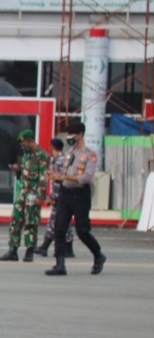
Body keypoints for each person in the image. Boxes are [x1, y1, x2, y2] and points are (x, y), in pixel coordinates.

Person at [45, 118, 105, 276]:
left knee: (82, 231)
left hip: (80, 195)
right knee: (60, 228)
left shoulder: (90, 154)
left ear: (80, 134)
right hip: (65, 194)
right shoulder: (68, 154)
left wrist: (63, 177)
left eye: (72, 134)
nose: (69, 137)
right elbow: (64, 173)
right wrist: (54, 176)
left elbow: (86, 177)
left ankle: (98, 255)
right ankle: (60, 265)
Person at [0, 129, 48, 263]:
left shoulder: (42, 155)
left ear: (31, 141)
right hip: (22, 193)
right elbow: (24, 174)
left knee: (31, 223)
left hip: (33, 194)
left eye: (24, 143)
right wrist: (17, 170)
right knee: (15, 220)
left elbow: (43, 177)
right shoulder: (26, 155)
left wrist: (40, 196)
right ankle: (12, 250)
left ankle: (29, 251)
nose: (22, 146)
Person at [36, 137, 75, 258]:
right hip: (62, 196)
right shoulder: (57, 159)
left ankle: (46, 247)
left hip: (60, 196)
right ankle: (67, 249)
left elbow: (59, 180)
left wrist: (53, 197)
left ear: (52, 147)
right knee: (62, 223)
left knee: (54, 222)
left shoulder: (59, 161)